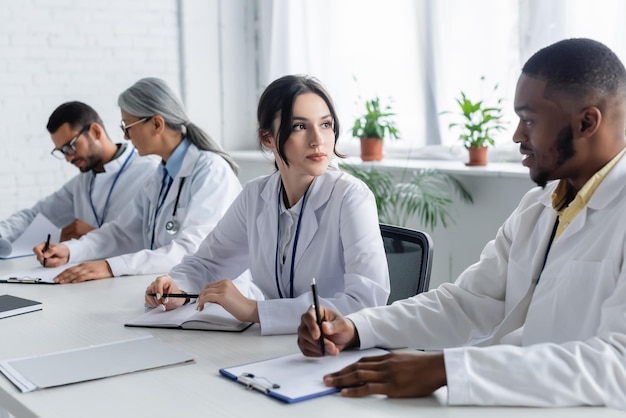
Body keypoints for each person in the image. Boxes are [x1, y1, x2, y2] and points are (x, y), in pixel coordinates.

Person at [297, 38, 626, 409]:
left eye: (529, 120)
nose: (517, 135)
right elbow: (470, 301)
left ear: (586, 122)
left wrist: (448, 370)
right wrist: (358, 327)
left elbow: (617, 365)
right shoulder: (540, 204)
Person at [145, 75, 390, 335]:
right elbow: (208, 264)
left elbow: (365, 302)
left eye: (326, 124)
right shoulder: (256, 195)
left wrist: (254, 310)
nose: (318, 139)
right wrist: (176, 286)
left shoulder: (351, 197)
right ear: (267, 138)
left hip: (334, 351)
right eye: (299, 126)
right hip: (274, 347)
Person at [33, 77, 242, 283]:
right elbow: (121, 232)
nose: (125, 137)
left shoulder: (211, 171)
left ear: (156, 124)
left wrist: (110, 266)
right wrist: (70, 250)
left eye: (127, 127)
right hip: (168, 291)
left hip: (213, 296)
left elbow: (191, 250)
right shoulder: (160, 177)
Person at [0, 101, 157, 242]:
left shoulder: (149, 172)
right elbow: (34, 217)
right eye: (62, 151)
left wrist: (97, 237)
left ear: (95, 131)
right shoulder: (82, 183)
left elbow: (160, 243)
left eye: (70, 147)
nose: (68, 158)